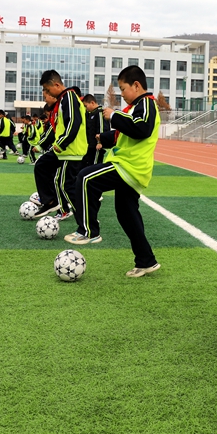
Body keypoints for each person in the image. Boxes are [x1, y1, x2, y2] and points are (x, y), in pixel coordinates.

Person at [66, 65, 162, 278]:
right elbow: (127, 134)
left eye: (123, 89)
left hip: (129, 166)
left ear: (136, 86)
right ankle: (146, 260)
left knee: (85, 178)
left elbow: (142, 128)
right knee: (127, 215)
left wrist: (114, 116)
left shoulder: (146, 103)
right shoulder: (135, 107)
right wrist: (105, 138)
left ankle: (88, 230)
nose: (122, 94)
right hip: (129, 167)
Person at [33, 70, 87, 221]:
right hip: (63, 151)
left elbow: (74, 122)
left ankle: (87, 220)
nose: (47, 93)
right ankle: (50, 201)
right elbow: (57, 128)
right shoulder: (62, 101)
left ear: (56, 85)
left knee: (65, 186)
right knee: (41, 165)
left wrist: (62, 142)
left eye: (47, 89)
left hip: (71, 150)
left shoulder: (69, 97)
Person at [82, 94, 109, 165]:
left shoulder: (99, 112)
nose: (86, 108)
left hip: (97, 146)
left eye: (86, 106)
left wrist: (100, 142)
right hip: (90, 146)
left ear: (92, 103)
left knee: (95, 164)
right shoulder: (91, 114)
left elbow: (102, 127)